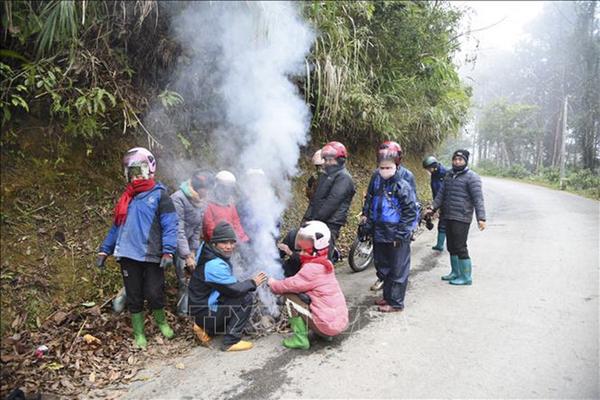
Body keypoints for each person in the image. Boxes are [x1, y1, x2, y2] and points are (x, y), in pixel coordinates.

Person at [97, 147, 178, 349]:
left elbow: (170, 225)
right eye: (130, 173)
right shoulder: (126, 198)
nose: (134, 178)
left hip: (152, 254)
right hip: (127, 255)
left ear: (149, 169)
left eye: (137, 171)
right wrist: (104, 249)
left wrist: (168, 250)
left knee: (153, 292)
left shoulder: (160, 196)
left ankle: (162, 323)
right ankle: (139, 333)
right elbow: (117, 227)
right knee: (134, 295)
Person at [187, 222, 267, 351]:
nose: (229, 247)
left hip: (200, 308)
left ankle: (205, 327)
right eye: (224, 243)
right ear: (215, 243)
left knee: (239, 290)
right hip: (205, 312)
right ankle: (230, 341)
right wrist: (253, 283)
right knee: (245, 297)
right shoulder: (214, 265)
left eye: (231, 242)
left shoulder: (207, 250)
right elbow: (234, 290)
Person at [269, 221, 349, 349]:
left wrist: (272, 283)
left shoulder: (311, 269)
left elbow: (289, 285)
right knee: (312, 297)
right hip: (339, 323)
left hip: (327, 326)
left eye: (306, 241)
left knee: (289, 296)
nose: (301, 247)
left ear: (316, 243)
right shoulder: (325, 262)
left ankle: (300, 339)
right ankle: (324, 334)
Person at [360, 143, 418, 312]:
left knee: (398, 267)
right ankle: (388, 297)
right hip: (380, 229)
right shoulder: (377, 178)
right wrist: (367, 221)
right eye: (382, 166)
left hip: (396, 230)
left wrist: (401, 234)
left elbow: (410, 210)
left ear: (396, 164)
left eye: (388, 167)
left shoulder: (403, 182)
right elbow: (371, 200)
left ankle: (396, 302)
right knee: (383, 265)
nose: (384, 169)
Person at [427, 149, 486, 285]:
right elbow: (441, 195)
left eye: (460, 159)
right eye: (455, 159)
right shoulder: (449, 175)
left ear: (465, 161)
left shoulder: (472, 177)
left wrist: (481, 218)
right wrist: (432, 207)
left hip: (462, 216)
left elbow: (478, 199)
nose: (457, 162)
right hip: (448, 215)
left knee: (460, 246)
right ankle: (455, 273)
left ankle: (466, 277)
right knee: (451, 246)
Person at [303, 141, 356, 261]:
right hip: (316, 222)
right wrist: (306, 218)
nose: (327, 163)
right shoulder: (325, 175)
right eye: (325, 160)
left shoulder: (344, 178)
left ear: (340, 160)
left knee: (323, 258)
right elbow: (315, 199)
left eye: (330, 160)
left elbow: (332, 203)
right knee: (310, 256)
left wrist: (314, 220)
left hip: (330, 224)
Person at [171, 170, 213, 316]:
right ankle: (182, 312)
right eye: (206, 188)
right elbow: (178, 229)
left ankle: (189, 310)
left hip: (186, 244)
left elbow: (196, 228)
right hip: (169, 243)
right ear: (198, 187)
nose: (208, 192)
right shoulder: (178, 198)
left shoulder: (201, 201)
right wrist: (187, 255)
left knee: (190, 277)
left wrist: (193, 251)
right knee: (183, 276)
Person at [202, 170, 249, 243]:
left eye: (229, 189)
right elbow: (209, 227)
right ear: (217, 187)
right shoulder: (208, 204)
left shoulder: (230, 204)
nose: (226, 192)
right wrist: (220, 243)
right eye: (223, 188)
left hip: (230, 243)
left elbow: (236, 224)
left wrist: (243, 239)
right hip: (214, 245)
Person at [422, 155, 448, 251]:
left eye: (429, 169)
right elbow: (435, 191)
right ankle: (440, 244)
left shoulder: (446, 173)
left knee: (445, 223)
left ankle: (442, 245)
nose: (428, 171)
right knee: (443, 222)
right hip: (439, 202)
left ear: (435, 166)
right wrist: (435, 207)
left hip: (448, 203)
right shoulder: (434, 175)